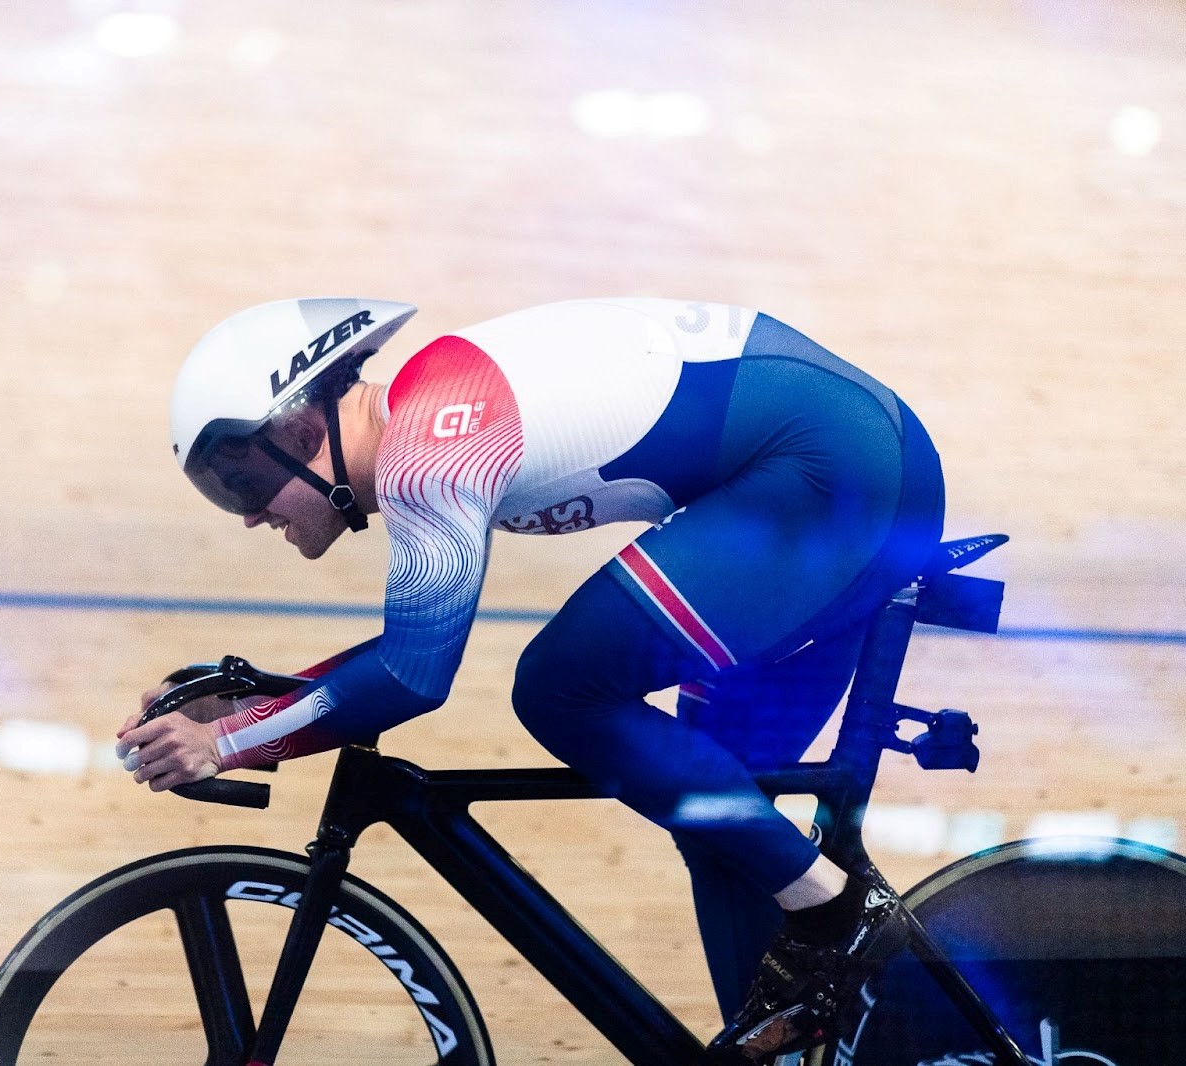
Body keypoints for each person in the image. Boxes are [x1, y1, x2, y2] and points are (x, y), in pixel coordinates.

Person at [116, 295, 944, 1060]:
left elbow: (413, 673)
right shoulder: (424, 412)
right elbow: (400, 661)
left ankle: (840, 912)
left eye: (243, 483)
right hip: (837, 463)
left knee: (561, 687)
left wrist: (230, 740)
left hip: (832, 469)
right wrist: (259, 709)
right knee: (715, 815)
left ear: (302, 429)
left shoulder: (430, 445)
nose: (253, 513)